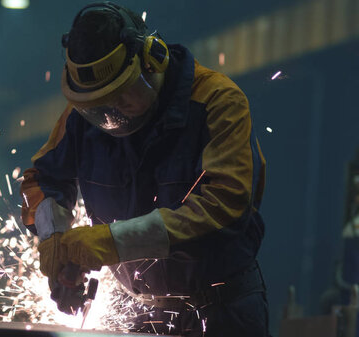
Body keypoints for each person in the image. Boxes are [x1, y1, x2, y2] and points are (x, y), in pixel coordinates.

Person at [20, 2, 268, 336]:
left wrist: (112, 242)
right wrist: (54, 239)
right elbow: (43, 179)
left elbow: (224, 207)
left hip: (222, 311)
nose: (109, 116)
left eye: (121, 97)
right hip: (141, 311)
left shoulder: (217, 102)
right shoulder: (85, 114)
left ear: (153, 60)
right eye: (97, 109)